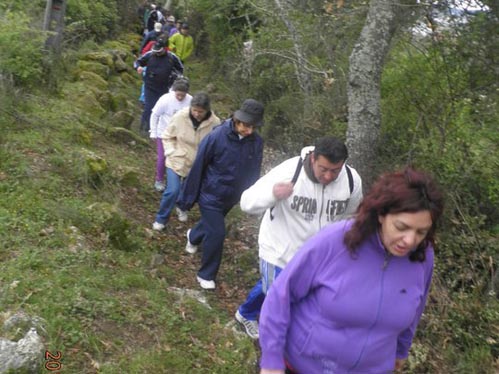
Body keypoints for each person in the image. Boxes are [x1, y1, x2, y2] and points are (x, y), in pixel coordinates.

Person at [258, 167, 445, 374]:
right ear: (382, 214)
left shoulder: (422, 256)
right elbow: (280, 296)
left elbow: (415, 309)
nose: (410, 240)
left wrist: (401, 351)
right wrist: (271, 361)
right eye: (401, 227)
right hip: (302, 366)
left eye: (421, 232)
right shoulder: (335, 241)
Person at [234, 136, 363, 340]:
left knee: (282, 289)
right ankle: (275, 342)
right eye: (324, 169)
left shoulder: (350, 179)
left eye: (335, 170)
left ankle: (245, 313)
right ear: (313, 158)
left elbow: (349, 214)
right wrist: (273, 194)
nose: (329, 176)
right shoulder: (289, 172)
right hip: (279, 248)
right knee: (279, 295)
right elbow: (246, 202)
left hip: (317, 256)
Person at [177, 99, 265, 290]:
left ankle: (193, 235)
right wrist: (186, 199)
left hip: (231, 196)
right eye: (246, 126)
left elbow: (254, 170)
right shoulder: (217, 137)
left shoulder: (256, 142)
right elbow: (198, 166)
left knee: (211, 226)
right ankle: (206, 275)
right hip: (210, 194)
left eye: (253, 127)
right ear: (236, 120)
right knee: (217, 232)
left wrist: (251, 196)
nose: (249, 131)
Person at [152, 93, 220, 231]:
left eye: (200, 112)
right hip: (177, 158)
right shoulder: (180, 117)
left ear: (207, 110)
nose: (196, 114)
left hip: (198, 163)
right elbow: (167, 136)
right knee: (172, 190)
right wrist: (171, 152)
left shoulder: (215, 123)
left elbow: (216, 144)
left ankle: (182, 207)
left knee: (188, 191)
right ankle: (161, 219)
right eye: (194, 110)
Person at [150, 79, 192, 192]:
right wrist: (153, 131)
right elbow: (155, 115)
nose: (180, 97)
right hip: (164, 133)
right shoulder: (165, 99)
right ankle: (159, 179)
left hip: (181, 134)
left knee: (180, 157)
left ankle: (176, 181)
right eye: (178, 95)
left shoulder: (190, 100)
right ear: (174, 92)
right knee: (162, 157)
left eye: (182, 95)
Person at [134, 39, 183, 134]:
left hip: (165, 87)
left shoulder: (172, 58)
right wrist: (138, 67)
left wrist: (176, 77)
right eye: (155, 50)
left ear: (165, 48)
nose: (157, 53)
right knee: (149, 107)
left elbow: (180, 69)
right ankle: (144, 128)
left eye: (159, 51)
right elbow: (137, 62)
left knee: (161, 108)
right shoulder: (150, 54)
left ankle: (159, 129)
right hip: (150, 86)